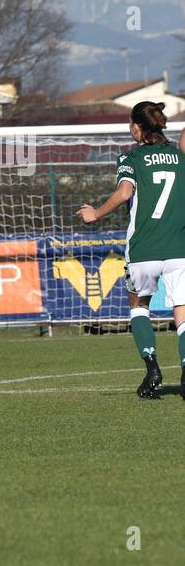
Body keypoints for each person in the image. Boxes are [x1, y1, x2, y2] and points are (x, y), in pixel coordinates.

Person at [78, 101, 185, 398]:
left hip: (143, 249)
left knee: (139, 306)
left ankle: (152, 367)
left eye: (130, 124)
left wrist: (96, 213)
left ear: (137, 127)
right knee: (183, 314)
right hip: (180, 247)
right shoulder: (180, 156)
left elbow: (125, 192)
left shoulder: (131, 158)